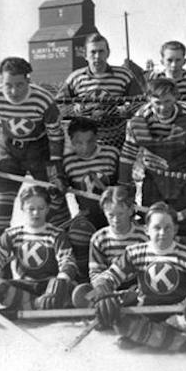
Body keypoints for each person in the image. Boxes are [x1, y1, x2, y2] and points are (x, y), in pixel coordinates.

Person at [89, 202, 186, 353]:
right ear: (146, 229)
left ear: (175, 229)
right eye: (157, 228)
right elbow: (110, 276)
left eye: (168, 228)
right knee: (119, 321)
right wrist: (102, 289)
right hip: (147, 313)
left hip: (179, 313)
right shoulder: (134, 253)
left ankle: (150, 337)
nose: (162, 233)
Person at [0, 57, 70, 247]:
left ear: (28, 81)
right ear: (1, 81)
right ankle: (2, 271)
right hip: (9, 150)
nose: (14, 91)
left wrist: (56, 170)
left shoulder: (43, 99)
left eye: (20, 85)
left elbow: (56, 135)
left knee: (56, 210)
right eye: (8, 85)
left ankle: (64, 262)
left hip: (40, 150)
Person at [118, 78, 186, 246]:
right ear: (148, 99)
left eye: (168, 101)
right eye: (157, 102)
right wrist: (123, 186)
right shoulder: (139, 118)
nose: (163, 108)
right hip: (154, 179)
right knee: (155, 224)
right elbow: (127, 155)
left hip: (183, 179)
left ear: (176, 97)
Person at [0, 186, 79, 325]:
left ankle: (21, 309)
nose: (36, 213)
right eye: (31, 209)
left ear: (48, 208)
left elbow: (68, 261)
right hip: (25, 285)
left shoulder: (56, 234)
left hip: (49, 287)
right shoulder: (12, 234)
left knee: (71, 288)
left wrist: (61, 281)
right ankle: (39, 307)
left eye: (41, 208)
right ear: (22, 208)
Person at [57, 33, 144, 149]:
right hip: (85, 143)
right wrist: (74, 109)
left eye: (101, 51)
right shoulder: (75, 78)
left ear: (108, 53)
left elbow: (140, 103)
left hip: (117, 140)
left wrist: (124, 110)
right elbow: (58, 105)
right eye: (93, 52)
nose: (97, 56)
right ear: (85, 55)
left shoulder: (124, 75)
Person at [62, 117, 120, 282]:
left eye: (89, 141)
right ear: (71, 141)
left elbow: (126, 185)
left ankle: (118, 280)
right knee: (77, 235)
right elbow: (59, 189)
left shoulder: (111, 154)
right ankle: (84, 281)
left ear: (97, 137)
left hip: (113, 213)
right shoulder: (68, 162)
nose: (85, 147)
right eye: (78, 143)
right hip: (88, 216)